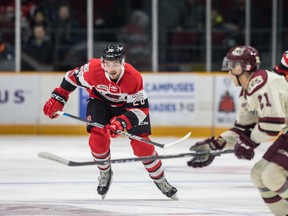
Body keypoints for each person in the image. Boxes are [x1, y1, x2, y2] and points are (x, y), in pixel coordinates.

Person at [43, 44, 178, 200]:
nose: (112, 68)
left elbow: (141, 110)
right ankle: (105, 172)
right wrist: (59, 96)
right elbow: (70, 77)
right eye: (108, 64)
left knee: (142, 147)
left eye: (116, 63)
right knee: (97, 139)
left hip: (128, 109)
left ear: (123, 63)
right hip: (100, 103)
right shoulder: (92, 70)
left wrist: (121, 122)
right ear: (102, 63)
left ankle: (160, 180)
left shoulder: (133, 77)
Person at [188, 46, 288, 215]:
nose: (228, 70)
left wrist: (249, 142)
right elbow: (243, 128)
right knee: (258, 174)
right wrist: (214, 145)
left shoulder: (263, 82)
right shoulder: (247, 92)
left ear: (244, 67)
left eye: (232, 65)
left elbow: (272, 124)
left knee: (272, 174)